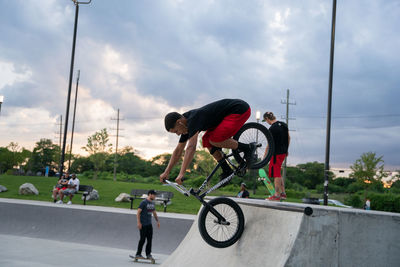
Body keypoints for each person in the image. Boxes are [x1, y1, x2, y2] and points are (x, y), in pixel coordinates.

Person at [159, 99, 257, 185]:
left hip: (239, 110)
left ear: (179, 122)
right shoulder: (185, 125)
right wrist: (166, 172)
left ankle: (248, 148)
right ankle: (226, 170)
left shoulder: (193, 120)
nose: (178, 134)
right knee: (206, 141)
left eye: (176, 131)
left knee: (214, 140)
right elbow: (178, 150)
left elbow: (191, 147)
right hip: (223, 117)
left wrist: (181, 174)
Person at [263, 111, 290, 201]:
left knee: (276, 173)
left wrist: (265, 155)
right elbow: (289, 137)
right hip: (283, 152)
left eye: (266, 120)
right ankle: (283, 193)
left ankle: (277, 195)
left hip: (276, 153)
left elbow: (269, 144)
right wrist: (286, 149)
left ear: (267, 119)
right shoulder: (283, 125)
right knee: (278, 172)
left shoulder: (272, 129)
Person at [133, 190, 160, 261]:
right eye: (154, 195)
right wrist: (138, 222)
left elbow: (154, 213)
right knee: (142, 239)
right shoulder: (143, 202)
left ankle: (148, 254)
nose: (155, 196)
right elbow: (138, 213)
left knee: (149, 240)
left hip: (149, 224)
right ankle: (138, 253)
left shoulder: (152, 203)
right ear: (150, 194)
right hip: (143, 224)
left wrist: (157, 221)